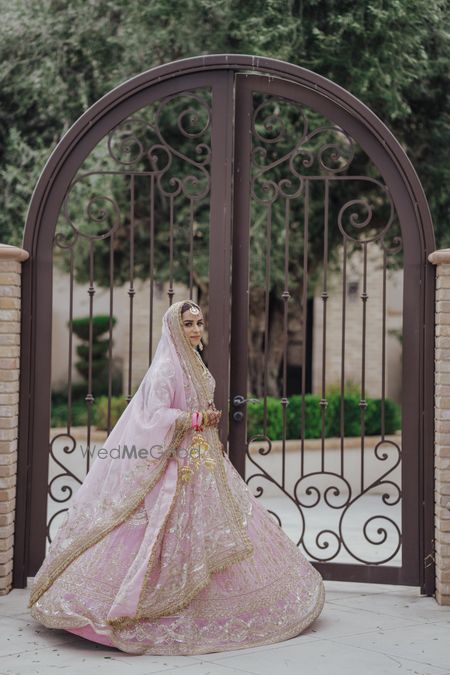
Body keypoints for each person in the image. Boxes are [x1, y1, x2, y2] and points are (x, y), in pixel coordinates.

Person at [28, 299, 325, 655]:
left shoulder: (192, 361)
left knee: (222, 528)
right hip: (174, 467)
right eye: (188, 323)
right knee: (160, 533)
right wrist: (193, 419)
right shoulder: (166, 369)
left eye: (199, 322)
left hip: (201, 459)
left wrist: (202, 418)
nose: (196, 329)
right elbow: (150, 418)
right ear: (173, 327)